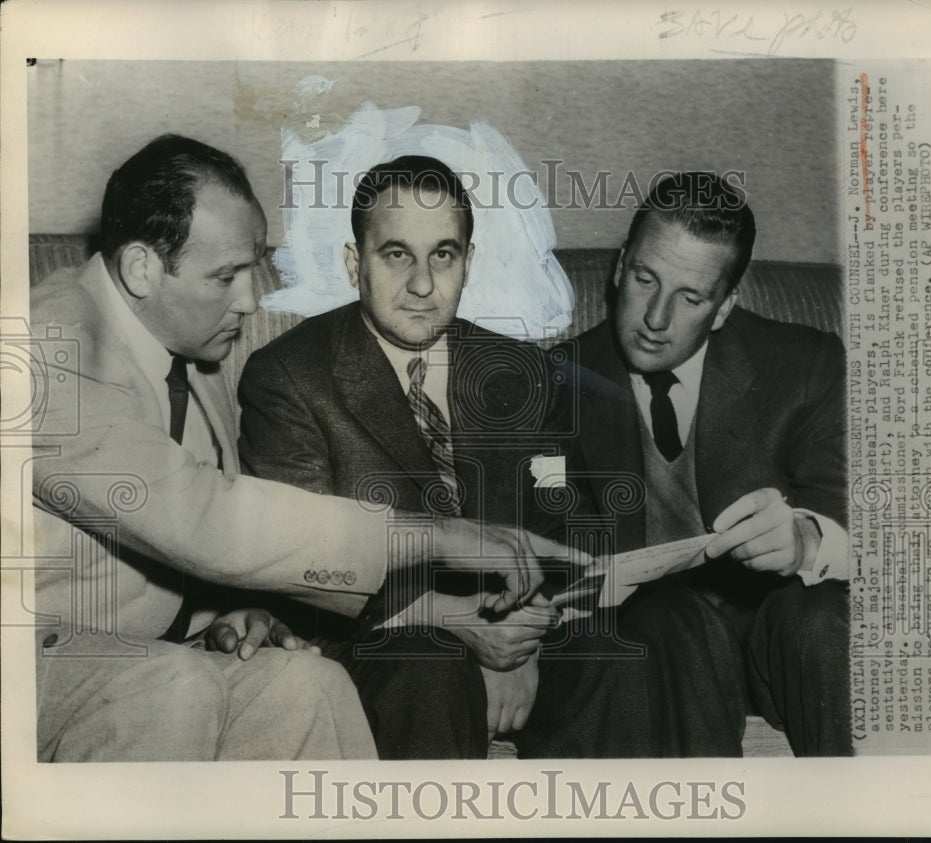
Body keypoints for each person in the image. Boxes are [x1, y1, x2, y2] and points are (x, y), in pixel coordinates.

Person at [30, 135, 561, 762]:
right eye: (226, 277)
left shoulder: (187, 346)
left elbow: (217, 534)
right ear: (141, 268)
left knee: (310, 685)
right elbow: (201, 515)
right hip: (38, 652)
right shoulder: (48, 347)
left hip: (160, 652)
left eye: (252, 268)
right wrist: (437, 536)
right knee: (178, 686)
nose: (251, 300)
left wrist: (236, 610)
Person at [239, 155, 659, 759]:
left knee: (622, 654)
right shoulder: (289, 377)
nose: (422, 284)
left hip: (515, 628)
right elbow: (301, 564)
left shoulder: (522, 372)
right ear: (355, 263)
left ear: (468, 262)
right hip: (385, 643)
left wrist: (522, 640)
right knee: (429, 667)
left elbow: (564, 527)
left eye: (443, 254)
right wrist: (460, 624)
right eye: (396, 254)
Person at [562, 171, 850, 756]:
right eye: (645, 279)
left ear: (723, 308)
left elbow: (867, 519)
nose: (655, 318)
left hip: (771, 643)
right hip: (655, 645)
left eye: (690, 298)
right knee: (674, 621)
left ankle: (872, 796)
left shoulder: (805, 366)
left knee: (818, 617)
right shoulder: (552, 383)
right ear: (619, 267)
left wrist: (806, 540)